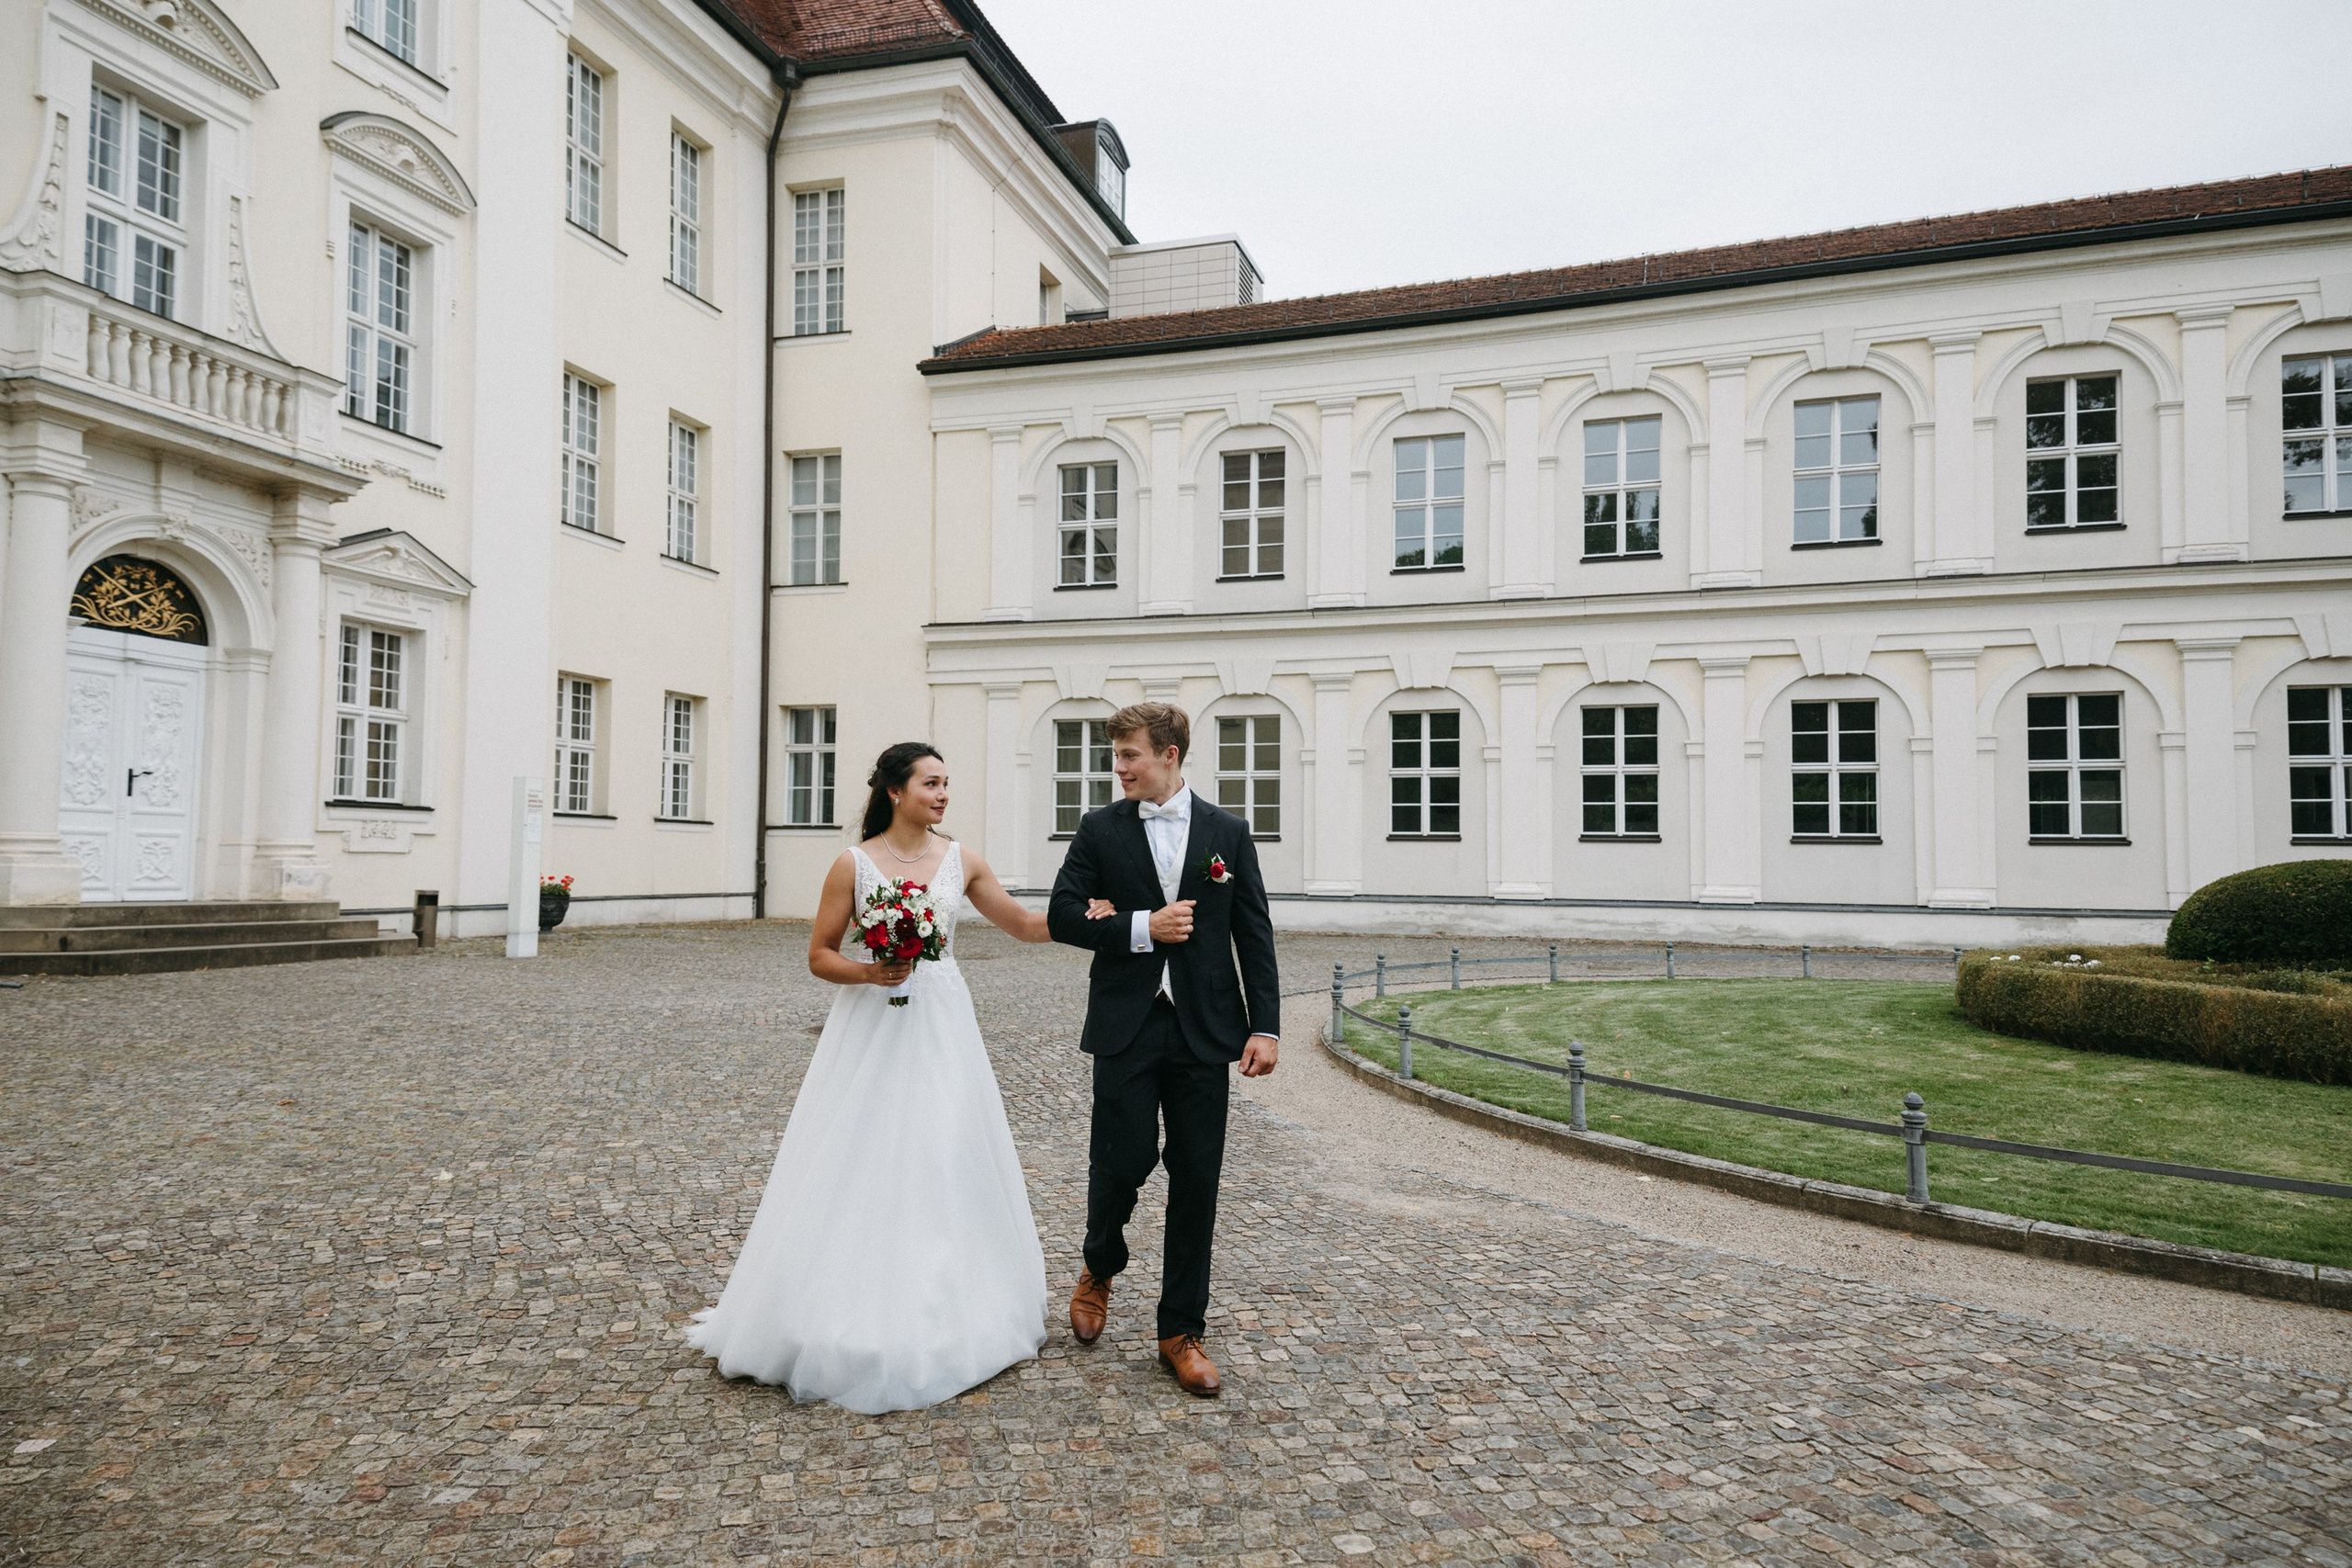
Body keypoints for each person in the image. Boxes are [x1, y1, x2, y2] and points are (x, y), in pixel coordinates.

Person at [687, 741, 1104, 1413]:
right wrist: (869, 972)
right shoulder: (853, 863)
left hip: (941, 1022)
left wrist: (1089, 916)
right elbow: (820, 954)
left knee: (942, 1149)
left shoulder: (961, 859)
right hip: (871, 1026)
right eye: (930, 783)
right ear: (894, 790)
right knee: (860, 1151)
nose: (942, 794)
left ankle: (945, 1307)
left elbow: (1024, 923)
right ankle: (839, 1306)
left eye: (946, 783)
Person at [1047, 702, 1281, 1397]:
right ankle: (1099, 1262)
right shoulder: (1099, 829)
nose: (1117, 767)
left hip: (1206, 1027)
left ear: (1170, 754)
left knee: (1196, 1176)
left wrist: (1264, 1025)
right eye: (1115, 755)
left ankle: (1180, 1330)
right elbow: (1062, 914)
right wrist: (1139, 926)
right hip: (1128, 1021)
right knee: (1119, 1161)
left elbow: (1254, 932)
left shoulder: (1227, 833)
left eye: (1129, 756)